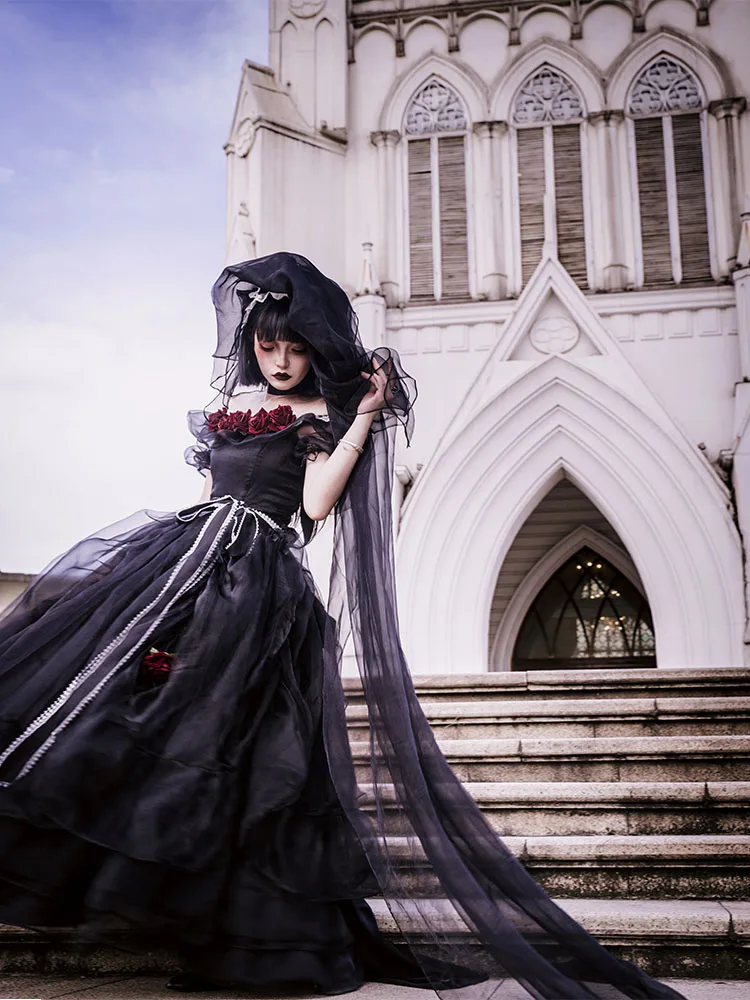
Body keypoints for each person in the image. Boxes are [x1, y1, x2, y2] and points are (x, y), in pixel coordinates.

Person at [0, 253, 686, 1000]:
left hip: (258, 585)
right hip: (191, 564)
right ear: (251, 342)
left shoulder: (319, 418)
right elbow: (206, 488)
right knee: (125, 702)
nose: (283, 358)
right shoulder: (230, 410)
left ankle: (248, 928)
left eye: (295, 347)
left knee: (247, 750)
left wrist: (359, 416)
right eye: (270, 345)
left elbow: (318, 505)